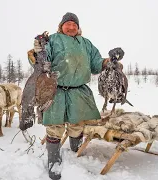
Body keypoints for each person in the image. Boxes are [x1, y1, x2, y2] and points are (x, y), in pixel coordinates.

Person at [26, 12, 122, 179]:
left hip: (79, 90)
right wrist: (38, 50)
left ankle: (75, 146)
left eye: (74, 25)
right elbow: (41, 61)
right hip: (54, 89)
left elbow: (96, 63)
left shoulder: (86, 43)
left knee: (77, 124)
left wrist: (110, 60)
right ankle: (53, 160)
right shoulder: (53, 40)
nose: (71, 27)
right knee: (54, 127)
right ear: (61, 26)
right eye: (67, 24)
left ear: (78, 27)